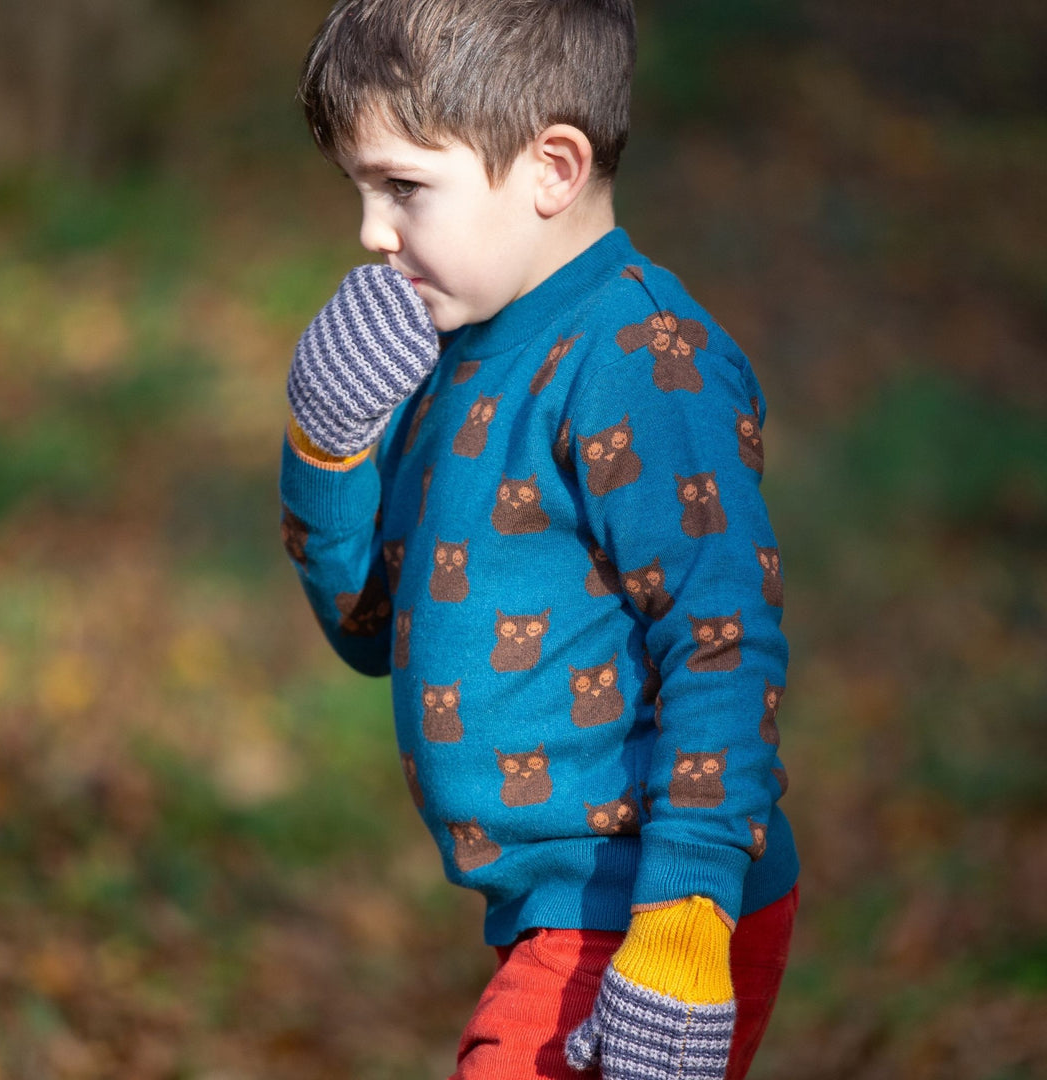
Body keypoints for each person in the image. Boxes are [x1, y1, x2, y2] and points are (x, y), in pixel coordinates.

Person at [279, 2, 799, 1077]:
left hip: (647, 898)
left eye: (404, 188)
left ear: (551, 168)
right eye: (360, 192)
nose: (372, 233)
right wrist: (328, 453)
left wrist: (683, 927)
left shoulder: (646, 359)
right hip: (550, 907)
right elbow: (374, 629)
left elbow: (722, 641)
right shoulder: (447, 353)